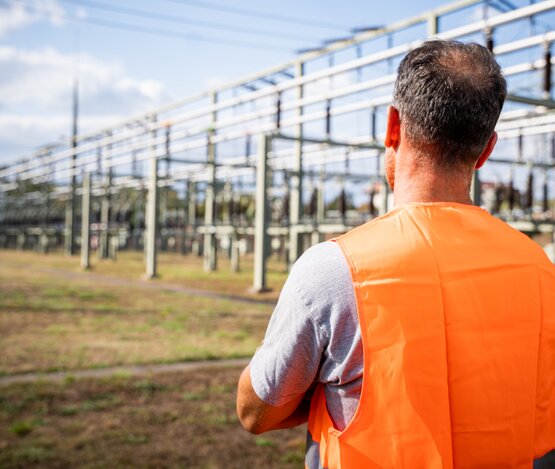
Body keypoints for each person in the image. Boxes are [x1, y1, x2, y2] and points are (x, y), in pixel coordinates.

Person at [236, 40, 555, 468]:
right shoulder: (539, 268)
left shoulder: (335, 269)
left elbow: (256, 410)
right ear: (487, 149)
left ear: (392, 127)